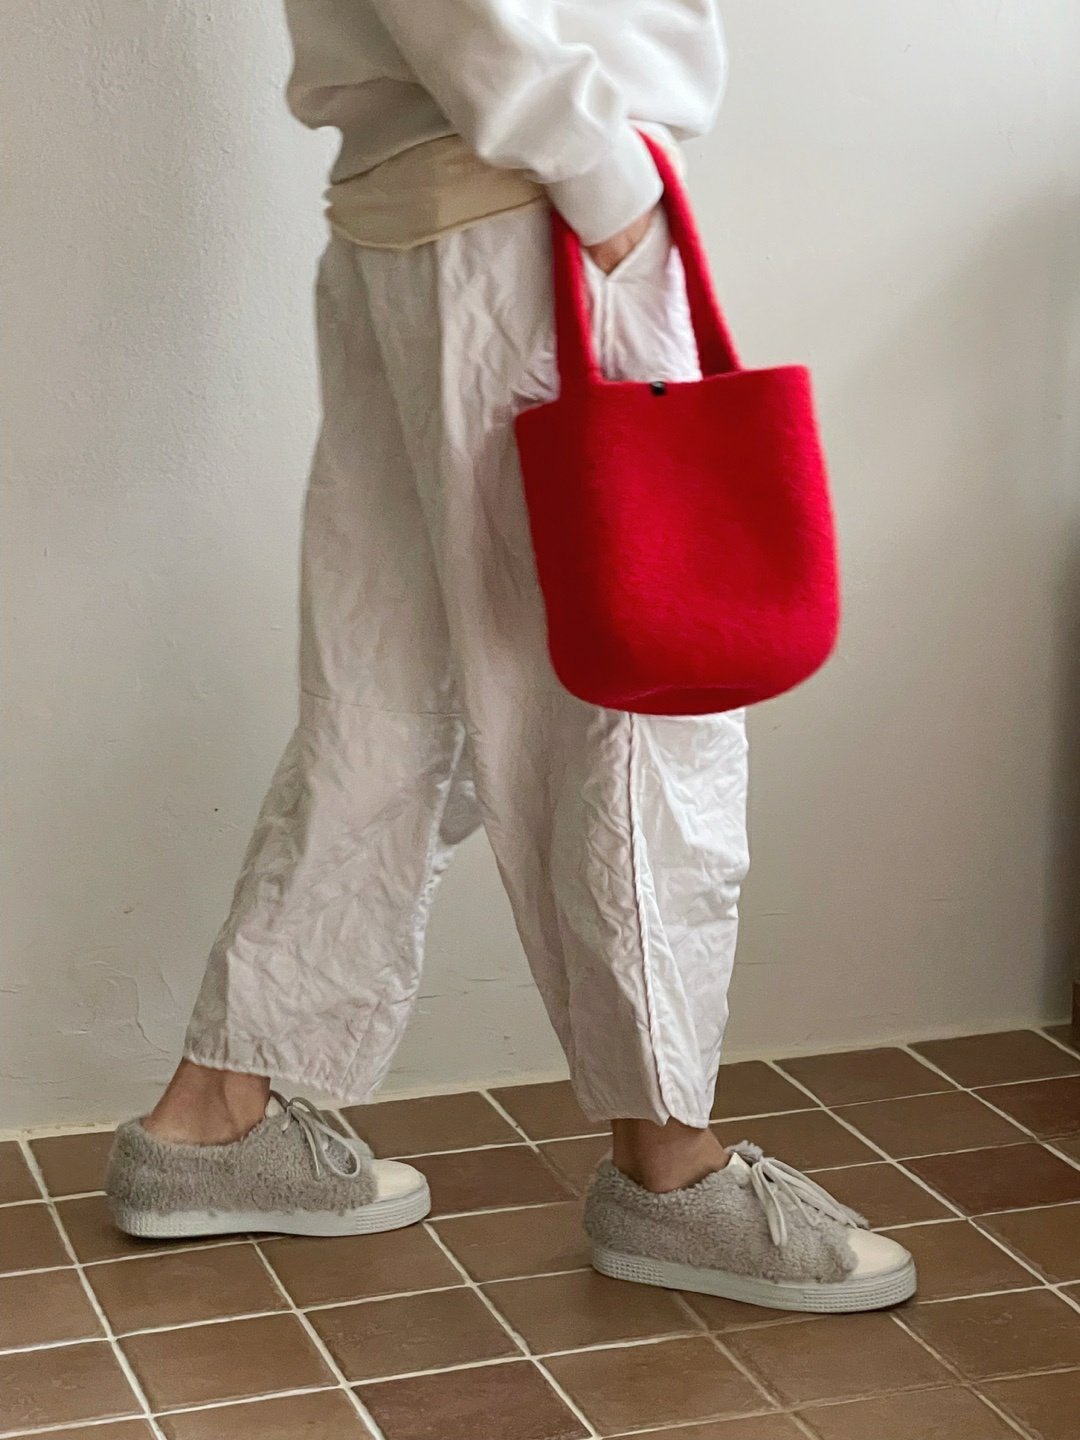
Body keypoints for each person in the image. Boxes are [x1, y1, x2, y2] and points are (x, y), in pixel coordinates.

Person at [106, 0, 916, 1314]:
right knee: (628, 705)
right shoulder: (567, 168)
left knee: (382, 697)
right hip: (532, 206)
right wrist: (606, 182)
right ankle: (669, 1169)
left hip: (412, 212)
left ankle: (215, 1116)